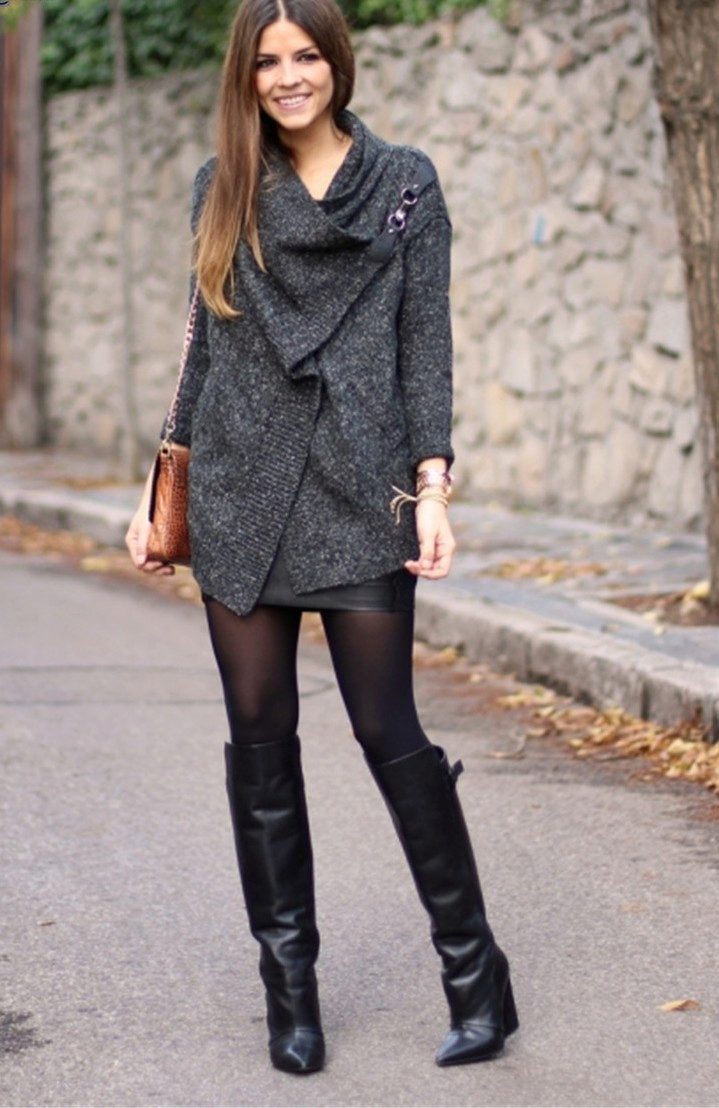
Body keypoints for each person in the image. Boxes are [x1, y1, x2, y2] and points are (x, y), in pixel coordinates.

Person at [125, 0, 518, 1076]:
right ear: (245, 77)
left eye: (306, 56)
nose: (289, 77)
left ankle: (475, 976)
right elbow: (202, 347)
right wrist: (161, 487)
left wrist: (431, 486)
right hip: (241, 490)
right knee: (259, 738)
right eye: (268, 62)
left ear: (337, 64)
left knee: (388, 730)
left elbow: (424, 346)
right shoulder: (223, 187)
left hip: (359, 487)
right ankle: (288, 997)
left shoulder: (403, 185)